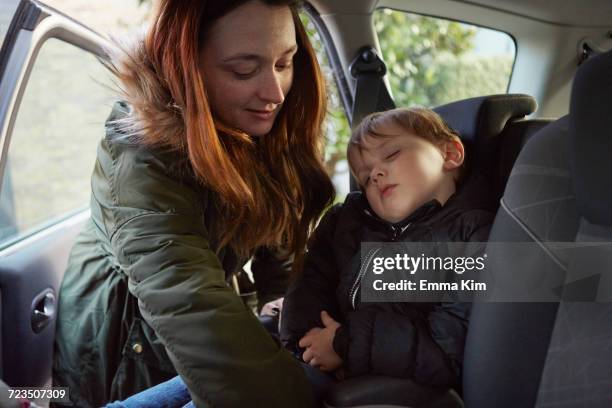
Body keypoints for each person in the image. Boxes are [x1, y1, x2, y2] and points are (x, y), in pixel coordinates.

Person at [52, 1, 335, 407]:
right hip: (121, 333)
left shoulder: (255, 131)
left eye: (284, 63)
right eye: (243, 69)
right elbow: (186, 297)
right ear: (187, 67)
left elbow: (282, 250)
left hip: (193, 315)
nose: (275, 93)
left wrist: (299, 324)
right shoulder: (137, 156)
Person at [280, 107, 495, 394]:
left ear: (450, 154)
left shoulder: (473, 237)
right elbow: (311, 282)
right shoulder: (351, 227)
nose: (377, 175)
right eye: (366, 178)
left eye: (391, 155)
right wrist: (304, 344)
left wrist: (345, 344)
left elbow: (449, 350)